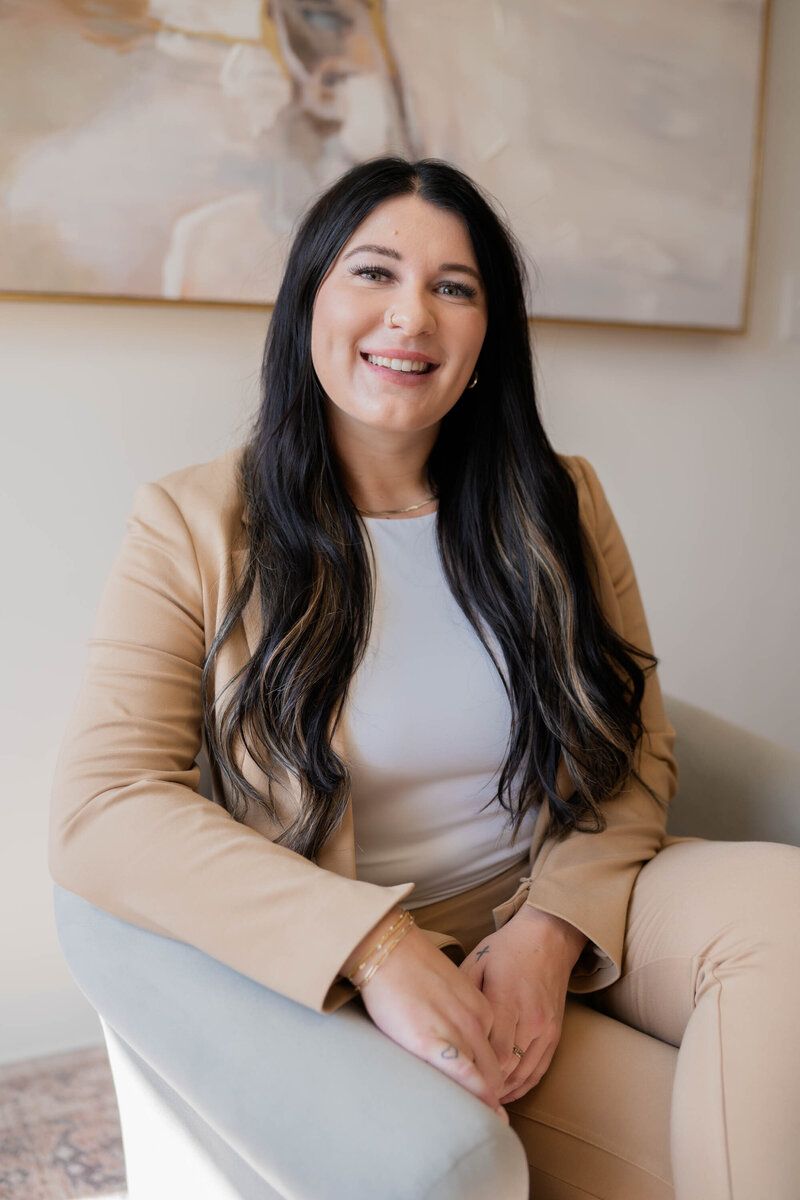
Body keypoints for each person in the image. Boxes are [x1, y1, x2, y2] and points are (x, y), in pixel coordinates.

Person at [49, 155, 800, 1200]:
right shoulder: (189, 525)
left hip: (563, 910)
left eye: (453, 287)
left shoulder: (558, 502)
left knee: (784, 904)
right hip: (374, 960)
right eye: (372, 273)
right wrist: (376, 944)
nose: (411, 316)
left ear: (487, 335)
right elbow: (104, 807)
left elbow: (634, 749)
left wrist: (549, 932)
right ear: (308, 300)